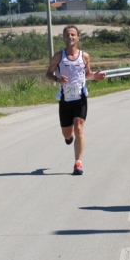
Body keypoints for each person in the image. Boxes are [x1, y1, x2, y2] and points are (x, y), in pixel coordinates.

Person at [45, 25, 106, 175]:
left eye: (73, 34)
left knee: (79, 127)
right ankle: (68, 136)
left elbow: (88, 74)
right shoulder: (59, 57)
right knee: (67, 133)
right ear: (63, 38)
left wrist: (95, 77)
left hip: (80, 97)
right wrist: (56, 78)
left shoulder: (84, 56)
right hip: (65, 99)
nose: (70, 37)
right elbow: (48, 74)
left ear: (78, 37)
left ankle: (78, 163)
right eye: (67, 35)